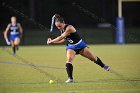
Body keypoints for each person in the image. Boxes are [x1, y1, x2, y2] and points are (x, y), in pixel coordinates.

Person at [47, 14, 110, 83]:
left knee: (93, 58)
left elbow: (61, 37)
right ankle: (70, 79)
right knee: (69, 60)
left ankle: (104, 66)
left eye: (59, 26)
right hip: (71, 47)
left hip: (80, 45)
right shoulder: (62, 29)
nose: (59, 28)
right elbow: (63, 40)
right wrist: (52, 42)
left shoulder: (69, 28)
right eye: (57, 27)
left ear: (63, 22)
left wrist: (51, 41)